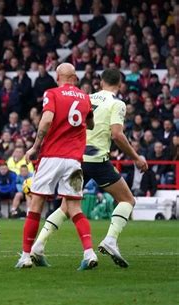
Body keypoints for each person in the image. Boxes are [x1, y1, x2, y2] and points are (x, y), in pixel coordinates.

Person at [31, 68, 149, 269]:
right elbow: (117, 135)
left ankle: (38, 245)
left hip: (76, 157)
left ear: (100, 82)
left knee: (67, 206)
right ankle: (110, 240)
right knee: (128, 199)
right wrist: (136, 157)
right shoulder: (117, 103)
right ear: (120, 84)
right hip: (97, 160)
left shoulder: (86, 97)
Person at [15, 63, 96, 270]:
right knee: (74, 208)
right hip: (74, 159)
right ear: (75, 78)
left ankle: (26, 256)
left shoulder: (51, 93)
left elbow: (47, 120)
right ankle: (89, 253)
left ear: (58, 76)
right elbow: (91, 123)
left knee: (36, 205)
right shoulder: (85, 97)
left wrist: (34, 147)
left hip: (52, 156)